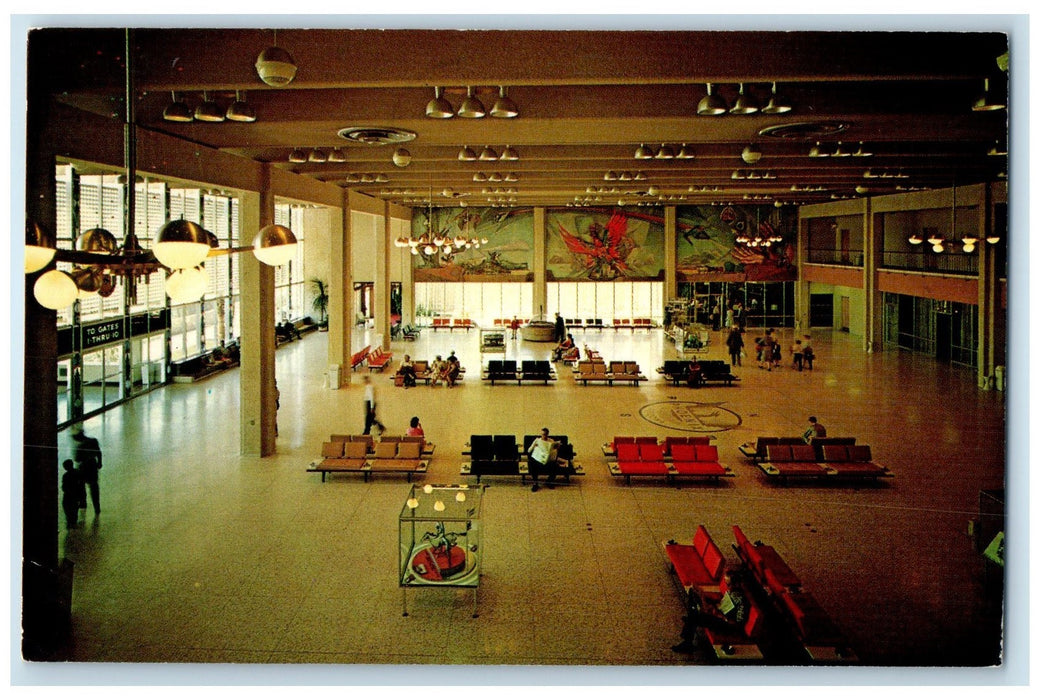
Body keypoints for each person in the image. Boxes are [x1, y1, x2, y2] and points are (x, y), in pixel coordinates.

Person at [672, 568, 749, 653]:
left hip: (724, 624)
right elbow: (723, 604)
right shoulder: (732, 591)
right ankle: (692, 617)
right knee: (693, 594)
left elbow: (738, 624)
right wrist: (707, 599)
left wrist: (722, 617)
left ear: (736, 584)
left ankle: (687, 643)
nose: (727, 587)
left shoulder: (741, 601)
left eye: (729, 585)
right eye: (726, 584)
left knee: (695, 616)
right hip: (718, 612)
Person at [71, 426, 102, 516]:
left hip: (83, 468)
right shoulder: (93, 441)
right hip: (92, 466)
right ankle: (97, 507)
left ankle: (83, 504)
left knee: (81, 487)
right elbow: (99, 452)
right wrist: (100, 463)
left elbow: (77, 459)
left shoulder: (79, 446)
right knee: (94, 487)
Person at [527, 427, 560, 492]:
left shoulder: (551, 441)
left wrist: (557, 448)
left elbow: (555, 453)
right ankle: (535, 483)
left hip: (548, 460)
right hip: (539, 460)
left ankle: (549, 481)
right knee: (532, 464)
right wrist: (534, 446)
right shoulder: (537, 440)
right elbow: (529, 451)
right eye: (542, 434)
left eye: (545, 435)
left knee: (555, 465)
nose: (544, 436)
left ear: (547, 434)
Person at [61, 459, 84, 530]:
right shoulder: (78, 473)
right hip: (76, 494)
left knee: (67, 507)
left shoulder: (65, 475)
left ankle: (69, 521)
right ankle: (73, 522)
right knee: (74, 508)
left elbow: (64, 486)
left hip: (68, 495)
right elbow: (81, 485)